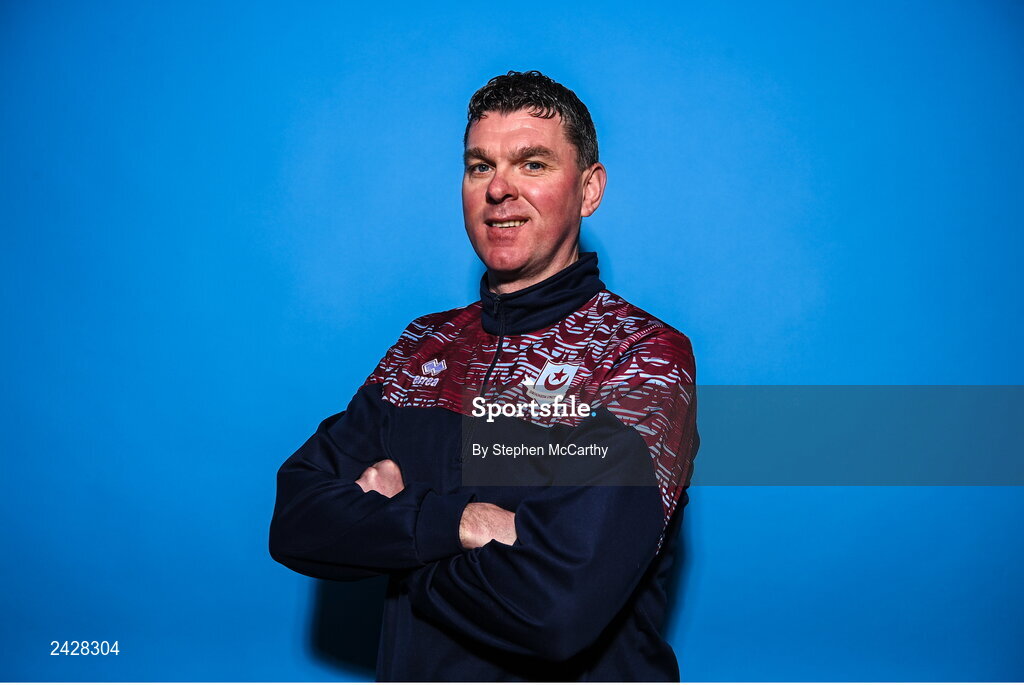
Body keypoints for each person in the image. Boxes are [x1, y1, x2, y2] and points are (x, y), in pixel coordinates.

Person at [269, 70, 699, 681]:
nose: (499, 189)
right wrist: (464, 524)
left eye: (532, 164)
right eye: (479, 166)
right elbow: (296, 520)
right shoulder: (423, 345)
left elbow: (556, 610)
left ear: (589, 188)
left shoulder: (641, 356)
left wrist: (393, 534)